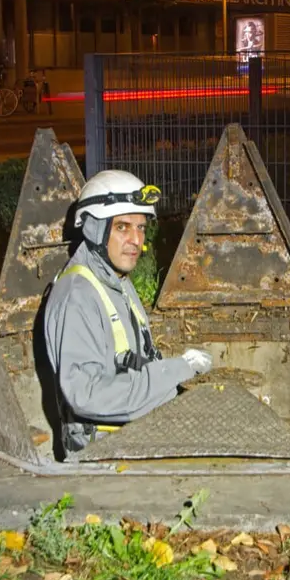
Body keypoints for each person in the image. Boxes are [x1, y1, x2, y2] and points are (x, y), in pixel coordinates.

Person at [41, 170, 214, 456]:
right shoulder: (78, 297)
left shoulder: (117, 280)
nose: (136, 240)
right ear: (95, 229)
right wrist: (176, 370)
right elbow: (87, 395)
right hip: (102, 454)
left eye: (141, 228)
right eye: (123, 227)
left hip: (134, 430)